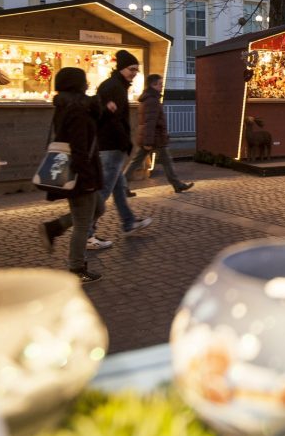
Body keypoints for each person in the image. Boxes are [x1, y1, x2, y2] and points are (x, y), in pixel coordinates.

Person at [38, 68, 105, 283]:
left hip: (85, 171)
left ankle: (54, 227)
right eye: (84, 81)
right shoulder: (75, 111)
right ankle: (77, 268)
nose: (87, 84)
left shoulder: (70, 107)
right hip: (81, 174)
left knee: (98, 208)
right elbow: (79, 149)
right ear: (76, 85)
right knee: (83, 222)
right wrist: (86, 179)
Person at [93, 49, 152, 247]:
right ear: (121, 68)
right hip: (111, 146)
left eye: (136, 69)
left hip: (111, 144)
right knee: (104, 190)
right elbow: (114, 119)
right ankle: (87, 232)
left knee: (118, 188)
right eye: (131, 69)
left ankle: (128, 222)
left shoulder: (114, 85)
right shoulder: (114, 87)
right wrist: (124, 141)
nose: (134, 72)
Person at [124, 73, 194, 194]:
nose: (162, 86)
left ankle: (177, 184)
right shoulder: (152, 100)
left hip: (152, 137)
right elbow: (150, 123)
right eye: (160, 84)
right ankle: (177, 184)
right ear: (153, 85)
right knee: (163, 162)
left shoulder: (149, 98)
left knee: (139, 162)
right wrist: (148, 142)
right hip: (154, 138)